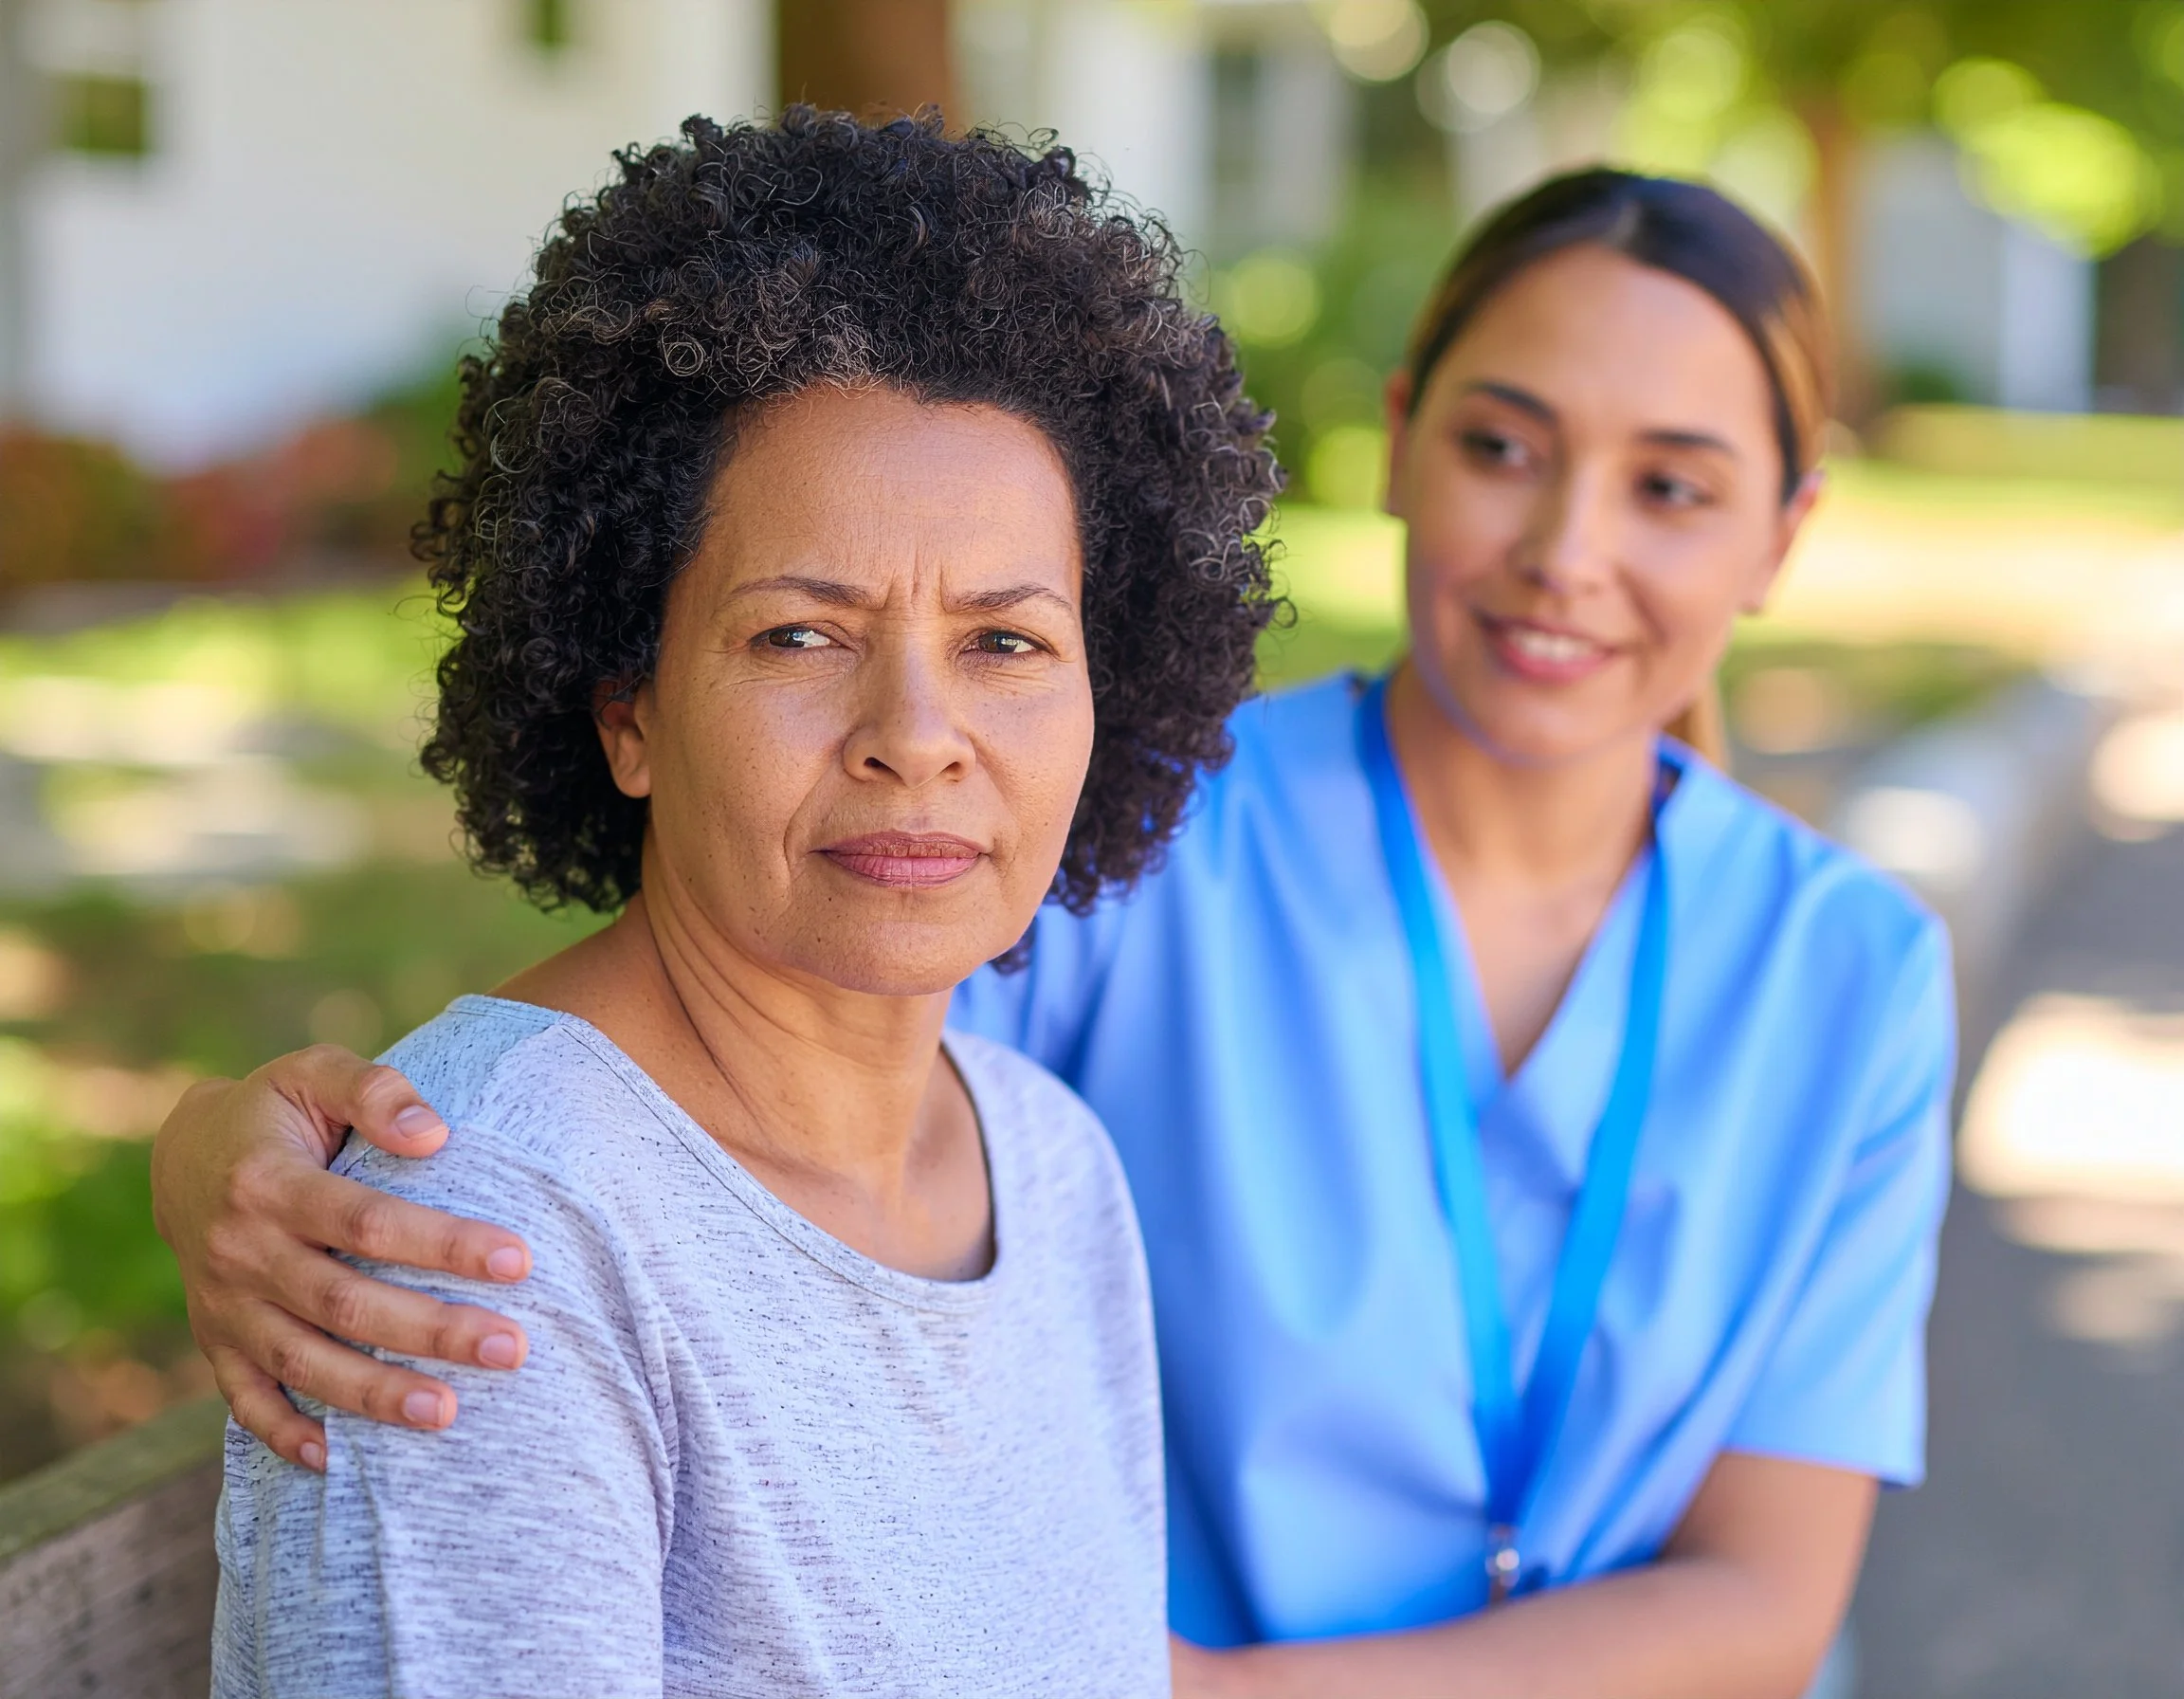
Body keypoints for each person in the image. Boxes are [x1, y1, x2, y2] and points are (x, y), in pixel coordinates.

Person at [159, 168, 1952, 1699]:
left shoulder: (1844, 972)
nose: (924, 735)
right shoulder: (1151, 853)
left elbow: (1770, 1595)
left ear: (1786, 532)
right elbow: (701, 1068)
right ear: (1403, 435)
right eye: (1506, 444)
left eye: (1013, 644)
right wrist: (226, 1139)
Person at [200, 108, 1281, 1698]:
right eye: (800, 635)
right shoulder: (486, 1232)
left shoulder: (1047, 1166)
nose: (918, 736)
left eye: (1006, 642)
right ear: (627, 710)